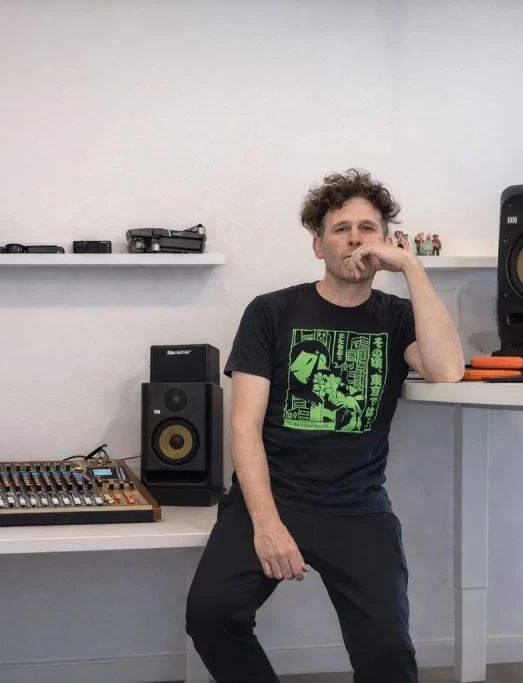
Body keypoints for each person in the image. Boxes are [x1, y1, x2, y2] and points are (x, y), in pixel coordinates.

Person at [185, 168, 465, 683]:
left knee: (388, 655)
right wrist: (267, 524)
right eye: (341, 229)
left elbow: (447, 371)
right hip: (272, 496)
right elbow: (244, 427)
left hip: (357, 506)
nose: (355, 239)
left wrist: (412, 268)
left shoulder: (398, 317)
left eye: (367, 228)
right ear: (318, 246)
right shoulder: (271, 312)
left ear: (384, 241)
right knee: (211, 616)